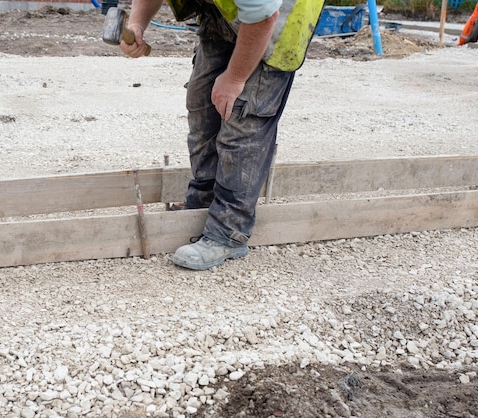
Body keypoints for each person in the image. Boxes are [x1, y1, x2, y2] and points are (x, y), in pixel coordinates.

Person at [119, 0, 324, 270]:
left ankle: (229, 231)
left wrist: (235, 78)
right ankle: (202, 209)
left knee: (241, 117)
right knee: (202, 104)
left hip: (277, 22)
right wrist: (137, 23)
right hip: (224, 16)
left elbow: (263, 16)